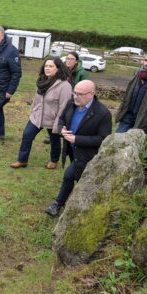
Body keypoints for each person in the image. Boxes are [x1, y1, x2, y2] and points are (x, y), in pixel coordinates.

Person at [45, 80, 112, 217]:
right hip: (71, 149)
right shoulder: (71, 103)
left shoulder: (103, 113)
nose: (76, 96)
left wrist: (77, 139)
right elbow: (62, 119)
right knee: (78, 175)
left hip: (87, 153)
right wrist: (62, 129)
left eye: (80, 94)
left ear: (92, 94)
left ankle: (58, 204)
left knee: (69, 176)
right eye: (74, 92)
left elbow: (103, 139)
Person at [11, 57, 73, 169]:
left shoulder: (65, 86)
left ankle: (54, 161)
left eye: (51, 66)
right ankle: (22, 160)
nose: (47, 68)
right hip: (37, 116)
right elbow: (36, 99)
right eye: (46, 66)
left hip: (53, 119)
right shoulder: (42, 81)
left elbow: (64, 107)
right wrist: (32, 112)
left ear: (58, 68)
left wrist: (57, 124)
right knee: (27, 135)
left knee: (54, 141)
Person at [43, 51, 87, 144]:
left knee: (69, 118)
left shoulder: (81, 72)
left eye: (72, 59)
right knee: (57, 115)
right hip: (62, 95)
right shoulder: (62, 68)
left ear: (76, 61)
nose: (69, 60)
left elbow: (84, 86)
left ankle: (69, 136)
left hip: (75, 98)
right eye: (67, 58)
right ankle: (53, 136)